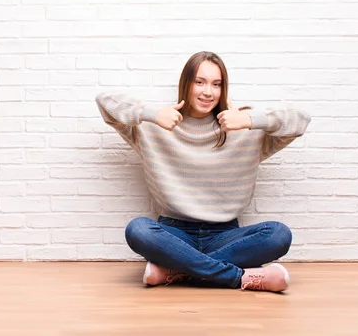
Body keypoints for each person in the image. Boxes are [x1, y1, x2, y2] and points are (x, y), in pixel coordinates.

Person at [95, 51, 311, 293]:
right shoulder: (153, 127)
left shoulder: (243, 126)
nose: (208, 92)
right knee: (138, 230)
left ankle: (177, 270)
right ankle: (238, 278)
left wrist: (249, 119)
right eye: (200, 82)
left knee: (279, 235)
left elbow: (300, 120)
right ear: (186, 84)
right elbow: (105, 102)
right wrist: (152, 114)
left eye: (216, 84)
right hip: (173, 232)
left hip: (225, 234)